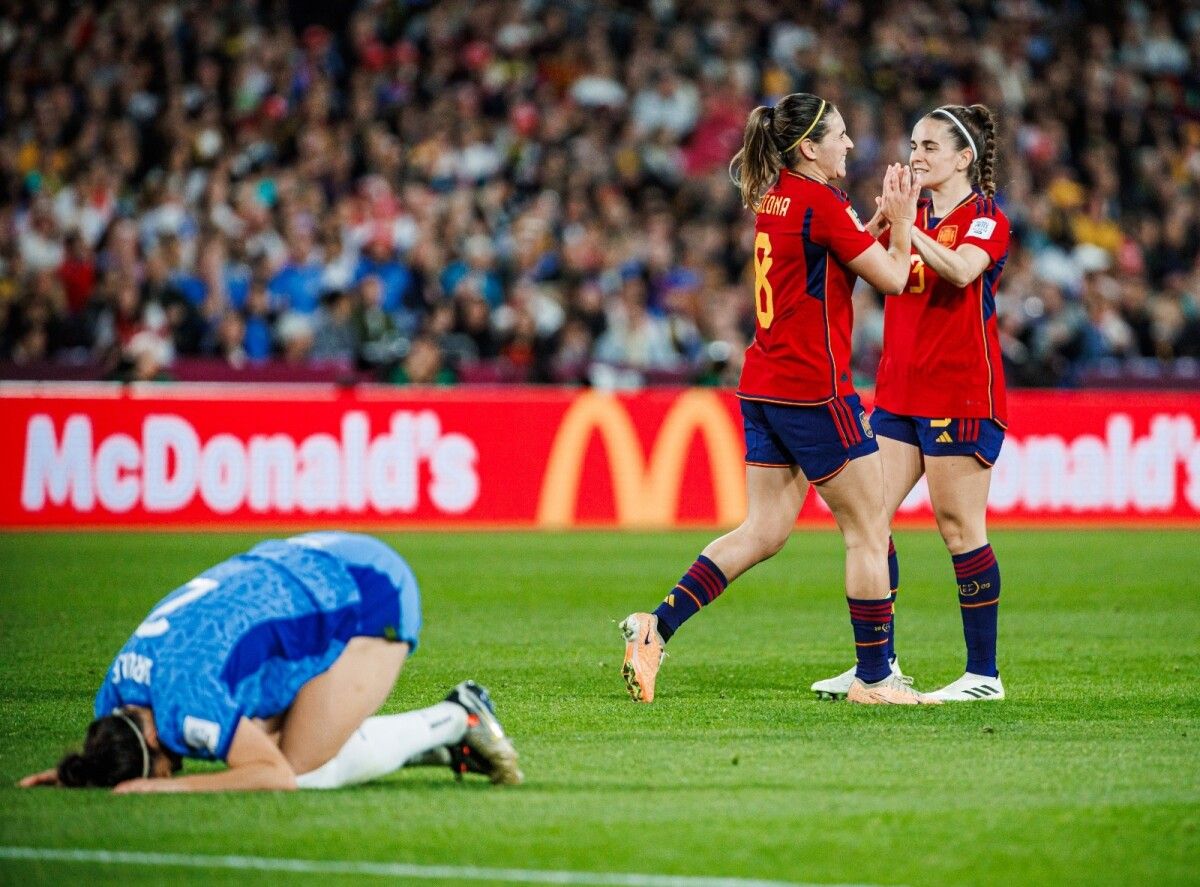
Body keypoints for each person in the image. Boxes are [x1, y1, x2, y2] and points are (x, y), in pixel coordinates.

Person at [620, 92, 941, 706]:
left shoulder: (777, 197)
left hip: (764, 383)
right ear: (809, 147)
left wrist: (870, 227)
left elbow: (826, 261)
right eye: (840, 135)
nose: (850, 144)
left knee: (763, 531)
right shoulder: (820, 202)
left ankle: (655, 627)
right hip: (813, 390)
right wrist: (902, 222)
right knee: (870, 527)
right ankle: (875, 678)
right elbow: (896, 278)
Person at [18, 532, 522, 792]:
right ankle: (440, 740)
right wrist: (79, 772)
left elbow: (273, 775)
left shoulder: (182, 700)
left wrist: (177, 790)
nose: (169, 772)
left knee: (295, 765)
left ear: (151, 738)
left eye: (162, 768)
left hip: (370, 592)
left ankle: (457, 718)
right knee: (257, 738)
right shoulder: (114, 692)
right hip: (312, 556)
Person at [810, 104, 1011, 703]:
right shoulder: (911, 212)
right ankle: (879, 665)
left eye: (928, 146)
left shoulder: (986, 219)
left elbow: (959, 271)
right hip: (899, 392)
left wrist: (907, 227)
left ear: (963, 158)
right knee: (869, 517)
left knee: (957, 526)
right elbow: (857, 255)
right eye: (913, 144)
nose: (916, 155)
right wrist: (881, 222)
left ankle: (983, 675)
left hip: (961, 390)